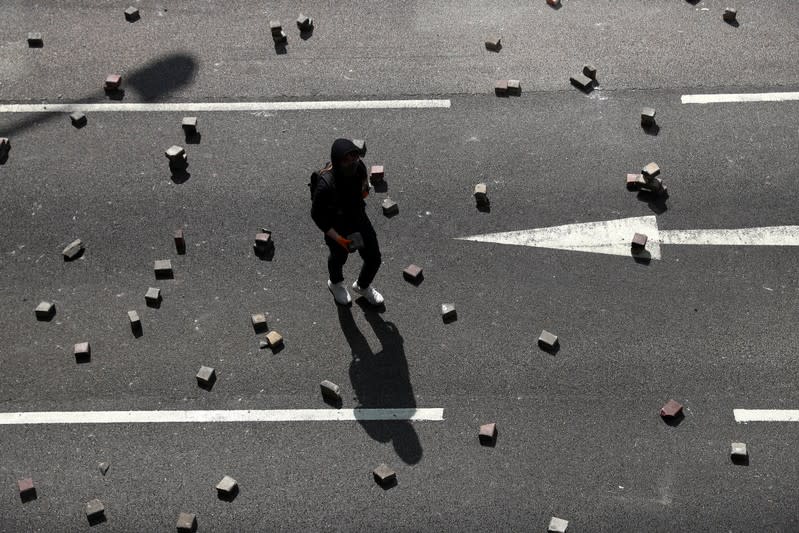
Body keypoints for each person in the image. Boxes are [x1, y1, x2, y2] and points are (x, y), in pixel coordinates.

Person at [311, 138, 384, 306]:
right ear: (337, 162)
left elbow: (363, 189)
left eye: (355, 158)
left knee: (374, 257)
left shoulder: (360, 169)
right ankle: (335, 283)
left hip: (358, 217)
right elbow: (317, 215)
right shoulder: (326, 185)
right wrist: (338, 238)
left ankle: (362, 286)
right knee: (338, 257)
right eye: (346, 160)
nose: (352, 163)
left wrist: (364, 191)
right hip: (337, 226)